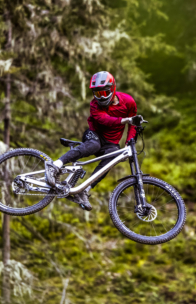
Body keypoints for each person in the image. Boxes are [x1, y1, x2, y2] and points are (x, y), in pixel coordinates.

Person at [45, 71, 138, 211]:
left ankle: (84, 190)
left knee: (115, 156)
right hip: (94, 134)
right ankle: (55, 165)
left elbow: (133, 124)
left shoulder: (128, 101)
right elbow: (106, 121)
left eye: (104, 93)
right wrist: (125, 120)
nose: (100, 97)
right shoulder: (95, 105)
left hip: (110, 143)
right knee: (94, 145)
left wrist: (130, 142)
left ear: (112, 88)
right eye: (97, 93)